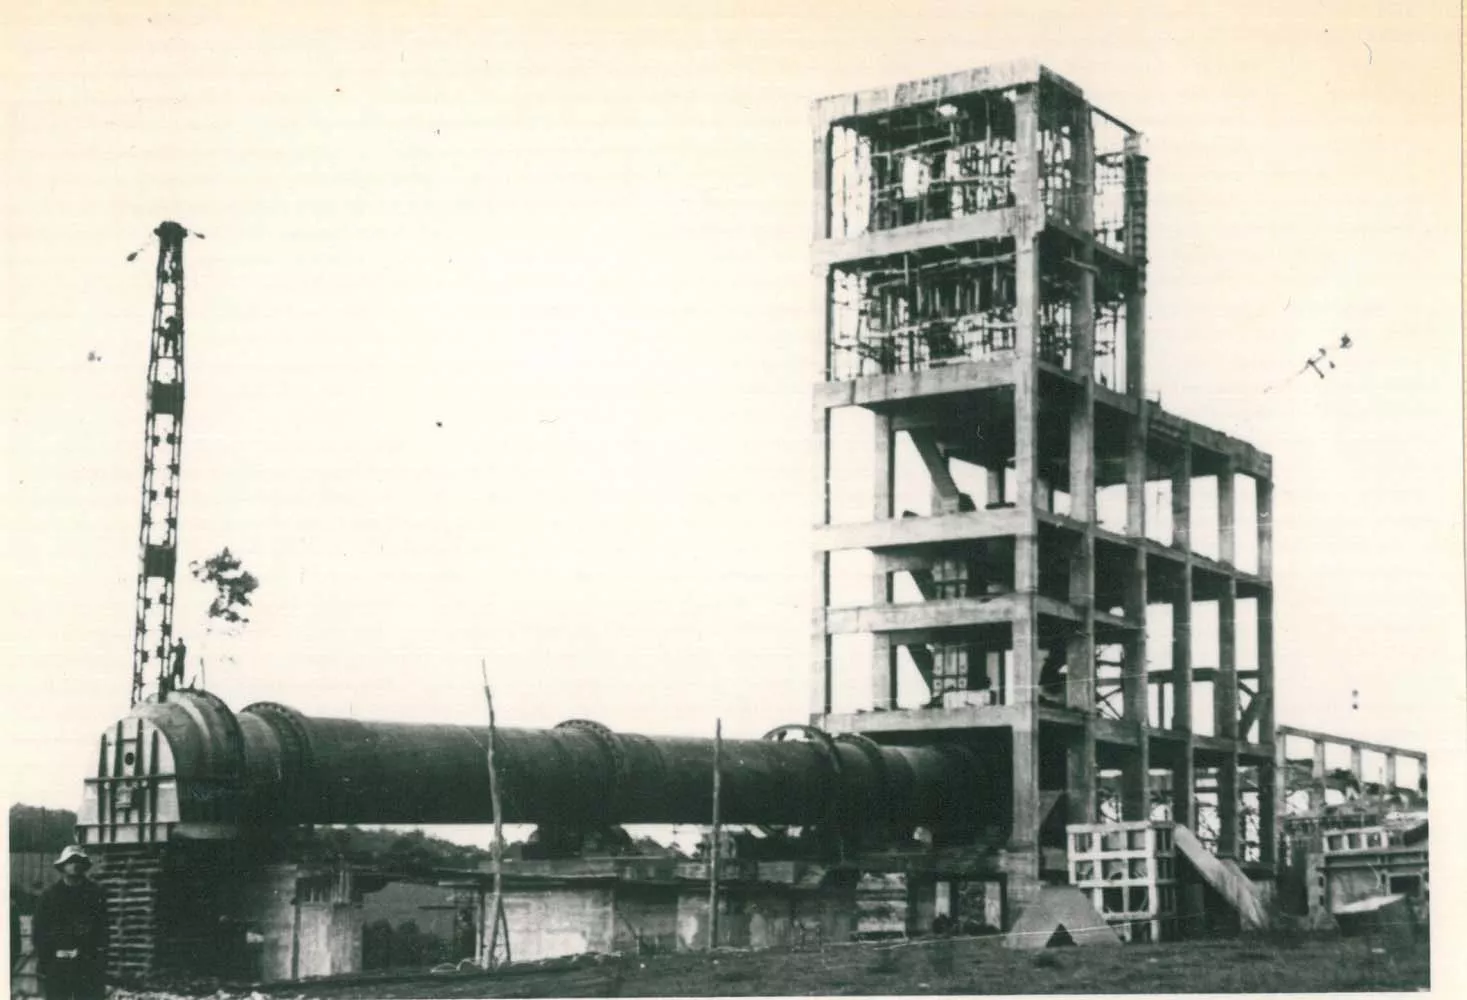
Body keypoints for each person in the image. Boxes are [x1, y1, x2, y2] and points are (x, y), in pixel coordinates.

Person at [33, 846, 108, 1000]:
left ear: (85, 865)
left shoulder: (95, 894)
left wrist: (99, 957)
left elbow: (103, 928)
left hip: (88, 963)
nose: (75, 865)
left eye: (79, 860)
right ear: (62, 865)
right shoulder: (49, 896)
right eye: (70, 861)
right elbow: (39, 931)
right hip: (57, 963)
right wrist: (46, 959)